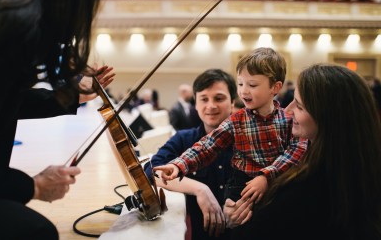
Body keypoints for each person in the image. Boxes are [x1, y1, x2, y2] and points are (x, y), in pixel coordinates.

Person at [0, 0, 107, 239]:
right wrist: (34, 185)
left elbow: (9, 100)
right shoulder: (16, 27)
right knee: (37, 232)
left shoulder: (8, 13)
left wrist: (72, 94)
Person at [224, 64, 381, 240]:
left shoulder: (306, 189)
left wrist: (238, 222)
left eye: (299, 106)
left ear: (327, 117)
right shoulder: (363, 169)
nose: (288, 110)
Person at [154, 48, 308, 219]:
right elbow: (207, 146)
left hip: (277, 184)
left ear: (275, 87)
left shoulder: (288, 119)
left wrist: (267, 176)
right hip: (242, 186)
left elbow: (297, 150)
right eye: (241, 84)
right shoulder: (236, 121)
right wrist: (178, 165)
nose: (244, 91)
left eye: (252, 85)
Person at [145, 69, 237, 240]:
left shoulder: (247, 140)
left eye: (219, 98)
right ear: (195, 104)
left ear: (233, 102)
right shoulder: (184, 138)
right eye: (204, 99)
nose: (211, 106)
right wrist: (200, 189)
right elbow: (152, 171)